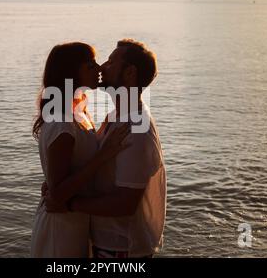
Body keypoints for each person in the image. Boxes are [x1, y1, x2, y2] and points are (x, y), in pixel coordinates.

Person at [46, 39, 167, 258]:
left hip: (122, 248)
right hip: (104, 243)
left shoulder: (137, 129)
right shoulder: (114, 117)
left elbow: (125, 204)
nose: (102, 67)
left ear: (129, 74)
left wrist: (69, 204)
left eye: (111, 63)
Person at [30, 42, 130, 258]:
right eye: (90, 66)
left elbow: (59, 177)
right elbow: (57, 194)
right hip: (60, 230)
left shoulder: (78, 113)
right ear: (72, 75)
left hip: (77, 223)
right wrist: (102, 157)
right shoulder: (63, 124)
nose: (99, 69)